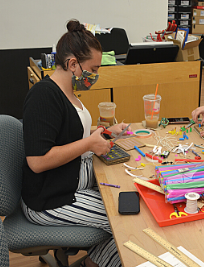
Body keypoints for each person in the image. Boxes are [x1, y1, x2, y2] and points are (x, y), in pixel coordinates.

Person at [21, 19, 130, 267]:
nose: (96, 75)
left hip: (71, 183)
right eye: (93, 68)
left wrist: (105, 132)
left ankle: (91, 262)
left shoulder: (68, 91)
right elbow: (37, 161)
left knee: (130, 202)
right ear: (72, 64)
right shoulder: (44, 95)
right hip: (50, 197)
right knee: (124, 220)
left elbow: (70, 132)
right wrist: (90, 144)